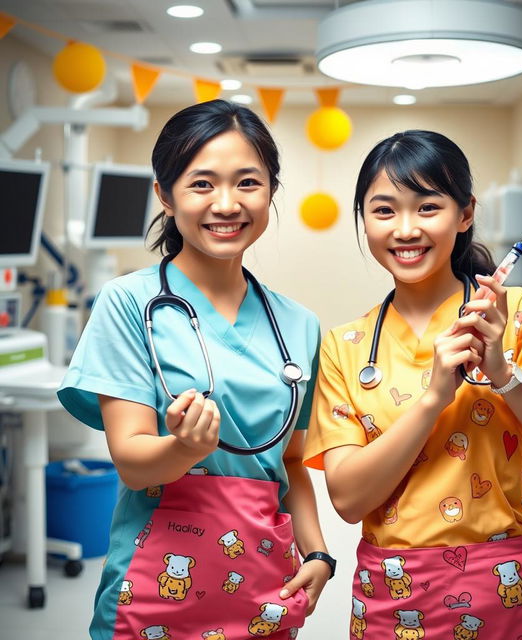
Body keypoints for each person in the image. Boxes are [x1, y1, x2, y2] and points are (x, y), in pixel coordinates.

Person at [303, 130, 522, 639]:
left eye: (427, 208)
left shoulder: (520, 316)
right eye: (384, 211)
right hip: (391, 596)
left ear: (464, 214)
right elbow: (349, 499)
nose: (405, 229)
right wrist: (434, 399)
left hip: (504, 591)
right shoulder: (344, 345)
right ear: (364, 220)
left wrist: (506, 378)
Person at [58, 99, 334, 640]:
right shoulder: (128, 302)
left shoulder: (299, 325)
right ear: (165, 195)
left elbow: (294, 462)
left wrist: (319, 551)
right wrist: (184, 447)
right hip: (156, 583)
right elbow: (134, 462)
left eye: (248, 183)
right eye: (202, 184)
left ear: (271, 191)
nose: (226, 204)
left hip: (264, 584)